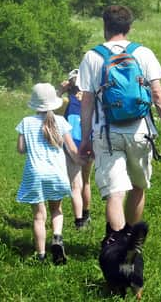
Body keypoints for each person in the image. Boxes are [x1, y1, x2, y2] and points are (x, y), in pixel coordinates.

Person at [77, 5, 161, 247]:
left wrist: (85, 138)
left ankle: (117, 243)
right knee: (137, 187)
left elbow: (87, 102)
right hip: (141, 132)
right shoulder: (143, 53)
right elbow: (157, 94)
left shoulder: (92, 57)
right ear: (129, 27)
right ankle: (133, 244)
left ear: (105, 27)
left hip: (107, 133)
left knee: (115, 192)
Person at [16, 82, 83, 264]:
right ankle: (57, 237)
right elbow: (72, 149)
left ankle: (41, 255)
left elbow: (21, 149)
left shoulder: (26, 123)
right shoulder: (61, 122)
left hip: (35, 174)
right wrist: (81, 161)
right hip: (57, 174)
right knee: (57, 210)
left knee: (39, 216)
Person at [58, 69, 94, 229]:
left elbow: (46, 109)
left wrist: (60, 90)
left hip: (70, 145)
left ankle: (75, 218)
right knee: (86, 181)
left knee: (74, 182)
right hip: (89, 142)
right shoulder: (92, 99)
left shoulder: (66, 100)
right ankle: (85, 215)